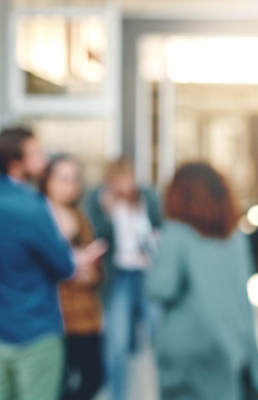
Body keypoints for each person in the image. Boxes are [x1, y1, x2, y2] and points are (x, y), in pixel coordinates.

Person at [0, 127, 101, 400]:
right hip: (37, 328)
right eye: (34, 153)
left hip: (2, 326)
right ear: (15, 164)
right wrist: (77, 260)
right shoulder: (32, 206)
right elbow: (64, 266)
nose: (43, 159)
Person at [145, 162, 258, 400]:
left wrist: (153, 261)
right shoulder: (235, 238)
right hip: (229, 344)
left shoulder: (176, 233)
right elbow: (243, 298)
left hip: (188, 349)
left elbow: (161, 288)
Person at [84, 157, 161, 400]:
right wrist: (108, 214)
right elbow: (97, 238)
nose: (122, 186)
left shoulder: (147, 198)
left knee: (158, 331)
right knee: (117, 341)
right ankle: (117, 395)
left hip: (147, 272)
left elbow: (159, 228)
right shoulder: (99, 201)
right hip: (119, 275)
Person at [40, 155, 106, 400]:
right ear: (47, 180)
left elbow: (97, 266)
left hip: (86, 313)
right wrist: (70, 269)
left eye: (74, 180)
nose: (70, 186)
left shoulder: (80, 215)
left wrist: (92, 272)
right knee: (57, 381)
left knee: (94, 376)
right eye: (63, 179)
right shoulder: (40, 216)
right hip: (57, 316)